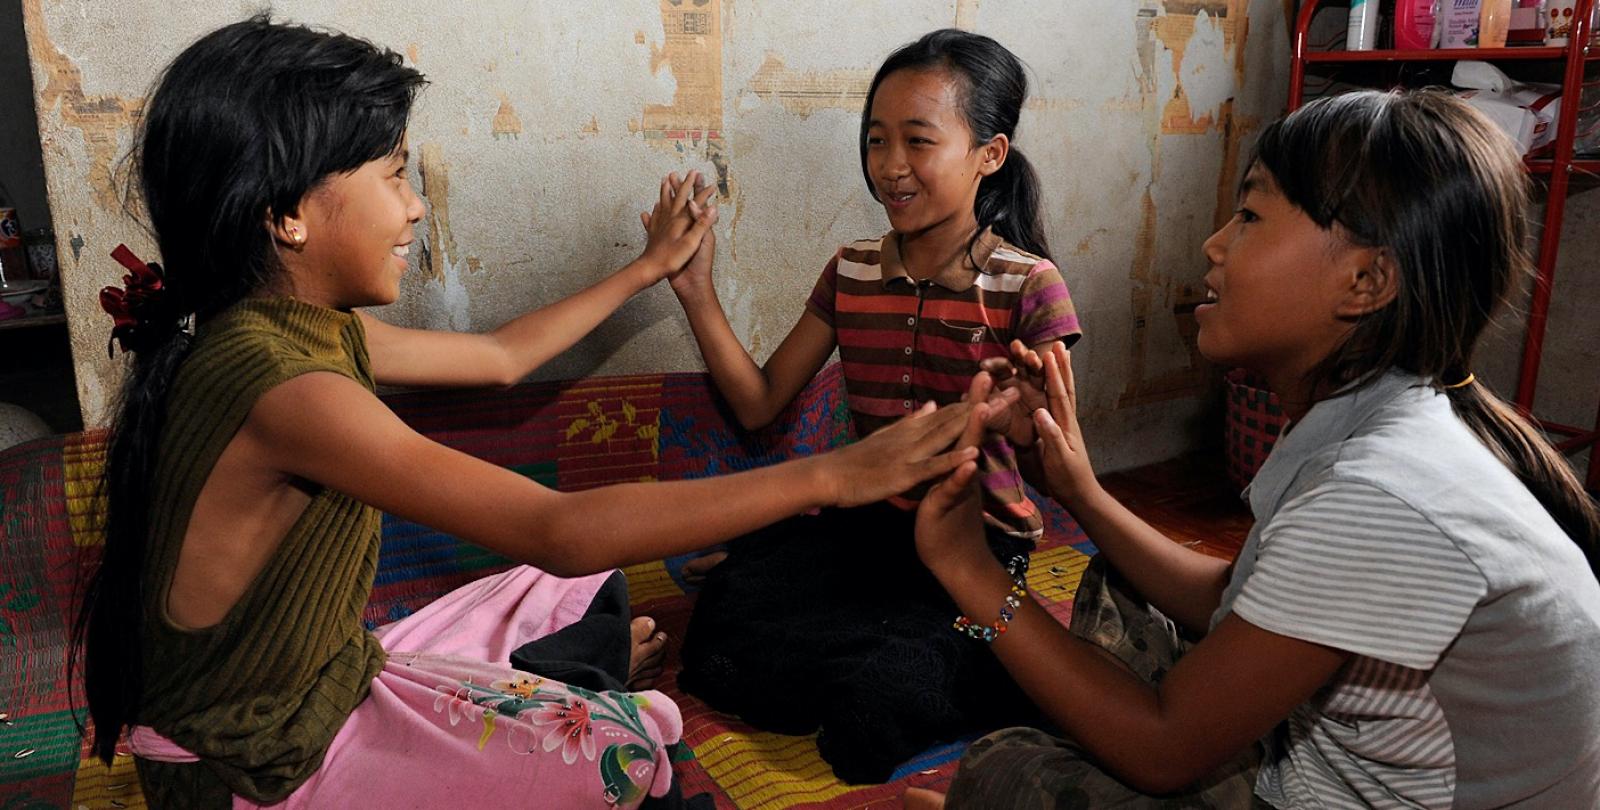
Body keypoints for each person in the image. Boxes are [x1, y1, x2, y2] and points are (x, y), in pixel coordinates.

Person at [70, 16, 987, 810]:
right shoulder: (282, 388)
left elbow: (501, 359)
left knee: (554, 594)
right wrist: (835, 473)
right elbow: (559, 525)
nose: (417, 205)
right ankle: (574, 693)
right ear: (288, 215)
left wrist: (649, 267)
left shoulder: (296, 332)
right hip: (254, 770)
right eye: (394, 175)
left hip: (320, 680)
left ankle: (569, 676)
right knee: (623, 756)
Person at [907, 89, 1600, 808]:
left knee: (1008, 766)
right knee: (1122, 590)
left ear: (1365, 281)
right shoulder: (1374, 420)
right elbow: (1233, 599)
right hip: (1343, 769)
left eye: (1251, 215)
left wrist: (975, 574)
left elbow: (1164, 749)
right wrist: (1077, 487)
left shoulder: (1381, 495)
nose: (1215, 243)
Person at [664, 28, 1081, 782]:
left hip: (974, 549)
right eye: (877, 140)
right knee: (724, 622)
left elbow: (1057, 473)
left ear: (991, 154)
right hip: (869, 531)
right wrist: (695, 289)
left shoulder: (1030, 288)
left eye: (918, 141)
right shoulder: (852, 268)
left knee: (878, 708)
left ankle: (972, 664)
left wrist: (1021, 431)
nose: (890, 166)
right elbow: (760, 404)